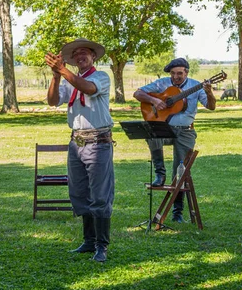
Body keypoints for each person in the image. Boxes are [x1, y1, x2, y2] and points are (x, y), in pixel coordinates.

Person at [45, 38, 114, 262]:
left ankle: (102, 246)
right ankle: (89, 241)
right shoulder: (68, 79)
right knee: (79, 193)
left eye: (85, 53)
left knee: (99, 196)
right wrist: (56, 76)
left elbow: (88, 88)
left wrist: (62, 69)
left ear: (94, 57)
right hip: (76, 142)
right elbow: (52, 101)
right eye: (76, 54)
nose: (80, 56)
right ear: (73, 60)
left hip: (98, 141)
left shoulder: (100, 77)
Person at [133, 58, 216, 223]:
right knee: (151, 134)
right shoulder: (162, 84)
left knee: (180, 172)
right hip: (165, 128)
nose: (176, 76)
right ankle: (159, 174)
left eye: (179, 73)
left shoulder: (195, 86)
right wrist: (155, 100)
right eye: (173, 73)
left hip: (185, 131)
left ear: (186, 72)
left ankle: (177, 213)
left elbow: (211, 106)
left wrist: (209, 92)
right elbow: (137, 93)